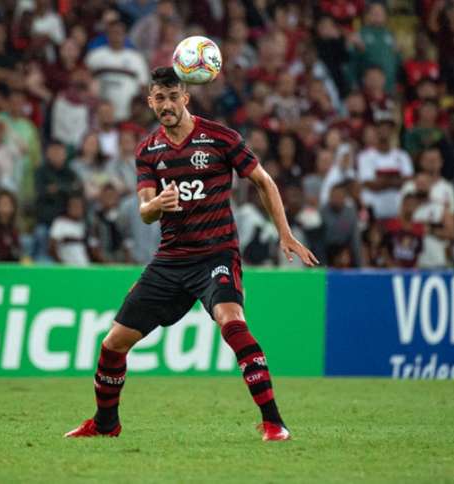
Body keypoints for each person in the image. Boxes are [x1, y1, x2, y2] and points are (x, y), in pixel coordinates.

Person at [65, 67, 317, 441]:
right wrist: (159, 203)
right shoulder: (148, 150)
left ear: (186, 98)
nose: (166, 105)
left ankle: (274, 423)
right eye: (159, 99)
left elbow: (263, 181)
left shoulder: (220, 137)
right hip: (170, 260)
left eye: (172, 97)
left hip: (216, 254)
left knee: (232, 323)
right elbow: (145, 211)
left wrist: (285, 233)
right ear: (150, 101)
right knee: (113, 344)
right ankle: (105, 425)